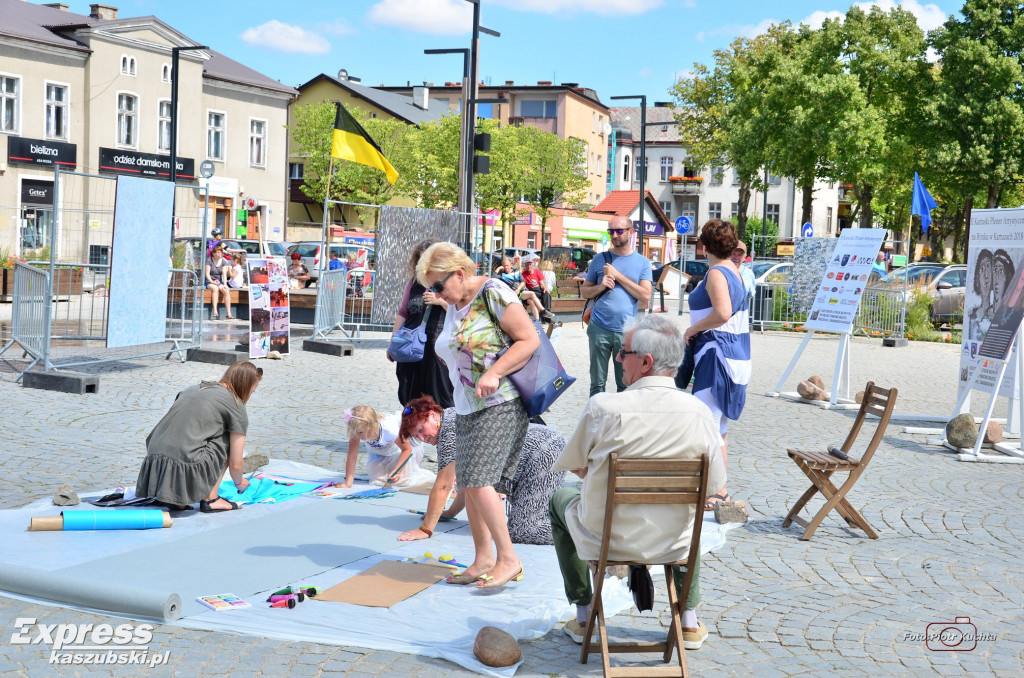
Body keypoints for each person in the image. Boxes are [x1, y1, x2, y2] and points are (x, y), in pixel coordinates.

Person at [549, 315, 726, 649]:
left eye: (623, 351)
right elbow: (713, 485)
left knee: (560, 499)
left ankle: (585, 612)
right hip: (672, 541)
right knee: (689, 513)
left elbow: (576, 466)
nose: (617, 358)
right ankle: (688, 620)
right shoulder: (700, 412)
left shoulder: (605, 407)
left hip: (608, 537)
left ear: (645, 362)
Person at [417, 241, 540, 589]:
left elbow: (527, 339)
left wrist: (494, 371)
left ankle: (508, 559)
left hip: (500, 400)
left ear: (460, 273)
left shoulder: (494, 291)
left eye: (439, 285)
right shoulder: (455, 302)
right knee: (470, 482)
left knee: (482, 480)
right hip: (468, 402)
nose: (437, 293)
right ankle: (483, 558)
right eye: (432, 288)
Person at [397, 396, 567, 545]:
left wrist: (426, 529)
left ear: (433, 415)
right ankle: (576, 516)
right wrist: (450, 513)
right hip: (545, 446)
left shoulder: (449, 430)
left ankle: (583, 530)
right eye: (416, 436)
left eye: (421, 429)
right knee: (528, 520)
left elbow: (443, 485)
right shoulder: (450, 420)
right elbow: (468, 482)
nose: (422, 438)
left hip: (543, 451)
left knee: (524, 530)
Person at [683, 218, 750, 509]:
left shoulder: (716, 274)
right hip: (732, 355)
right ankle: (719, 489)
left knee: (709, 426)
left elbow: (722, 313)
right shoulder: (735, 271)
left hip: (716, 355)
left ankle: (716, 490)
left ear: (704, 245)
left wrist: (692, 329)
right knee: (719, 429)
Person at [135, 361, 262, 512]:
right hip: (184, 459)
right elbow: (236, 463)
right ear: (245, 386)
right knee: (227, 437)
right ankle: (211, 499)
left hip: (154, 457)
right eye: (252, 391)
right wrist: (239, 482)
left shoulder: (193, 388)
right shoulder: (235, 404)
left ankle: (176, 500)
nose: (250, 395)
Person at [581, 215, 652, 395]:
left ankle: (622, 421)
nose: (614, 235)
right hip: (599, 328)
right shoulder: (600, 259)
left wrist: (617, 275)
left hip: (626, 331)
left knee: (625, 383)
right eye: (611, 231)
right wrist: (601, 286)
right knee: (597, 384)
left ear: (631, 232)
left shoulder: (642, 262)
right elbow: (585, 292)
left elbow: (645, 296)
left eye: (619, 231)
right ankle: (596, 421)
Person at [389, 239, 454, 409]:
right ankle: (412, 432)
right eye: (420, 260)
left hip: (436, 350)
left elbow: (461, 311)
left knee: (440, 395)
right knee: (411, 394)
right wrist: (393, 343)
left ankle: (441, 433)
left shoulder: (449, 281)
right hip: (411, 347)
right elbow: (403, 312)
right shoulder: (414, 283)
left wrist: (440, 302)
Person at [337, 405, 425, 488]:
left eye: (361, 432)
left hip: (396, 450)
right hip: (377, 451)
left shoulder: (389, 430)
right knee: (377, 479)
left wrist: (397, 471)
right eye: (356, 432)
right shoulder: (356, 429)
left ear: (372, 426)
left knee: (399, 480)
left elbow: (407, 449)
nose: (358, 435)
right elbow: (352, 455)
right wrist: (348, 483)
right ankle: (385, 465)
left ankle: (401, 469)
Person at [204, 241, 234, 320]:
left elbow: (224, 274)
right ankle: (215, 310)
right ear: (213, 253)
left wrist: (225, 284)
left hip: (219, 281)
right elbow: (207, 273)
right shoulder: (209, 260)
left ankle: (229, 313)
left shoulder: (224, 261)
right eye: (217, 252)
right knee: (215, 288)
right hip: (209, 280)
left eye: (220, 252)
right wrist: (212, 281)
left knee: (226, 291)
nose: (219, 254)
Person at [522, 256, 556, 323]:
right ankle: (545, 315)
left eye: (530, 265)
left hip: (538, 289)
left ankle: (547, 313)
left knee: (546, 294)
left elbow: (541, 283)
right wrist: (521, 270)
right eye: (527, 265)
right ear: (525, 266)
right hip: (530, 290)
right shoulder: (523, 274)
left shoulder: (537, 271)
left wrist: (545, 288)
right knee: (534, 295)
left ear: (533, 265)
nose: (529, 266)